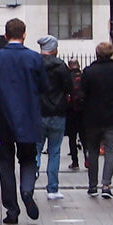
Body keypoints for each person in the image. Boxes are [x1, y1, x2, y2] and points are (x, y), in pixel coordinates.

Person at [0, 17, 46, 224]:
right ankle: (26, 190)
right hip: (28, 119)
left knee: (5, 165)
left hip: (0, 120)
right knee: (28, 159)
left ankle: (12, 210)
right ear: (24, 34)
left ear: (5, 36)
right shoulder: (35, 59)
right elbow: (43, 89)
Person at [80, 42, 113, 199]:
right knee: (110, 151)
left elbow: (82, 92)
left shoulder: (88, 71)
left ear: (97, 53)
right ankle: (106, 185)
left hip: (93, 116)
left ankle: (92, 185)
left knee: (92, 151)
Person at [36, 35, 71, 200]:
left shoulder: (34, 65)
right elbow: (69, 87)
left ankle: (30, 180)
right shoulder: (61, 66)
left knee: (35, 149)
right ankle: (52, 188)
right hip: (57, 112)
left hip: (38, 113)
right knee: (54, 151)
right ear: (54, 49)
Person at [65, 59, 84, 170]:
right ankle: (87, 159)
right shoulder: (84, 76)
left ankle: (75, 162)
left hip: (71, 111)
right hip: (83, 111)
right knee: (84, 138)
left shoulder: (67, 77)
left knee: (72, 138)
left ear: (69, 66)